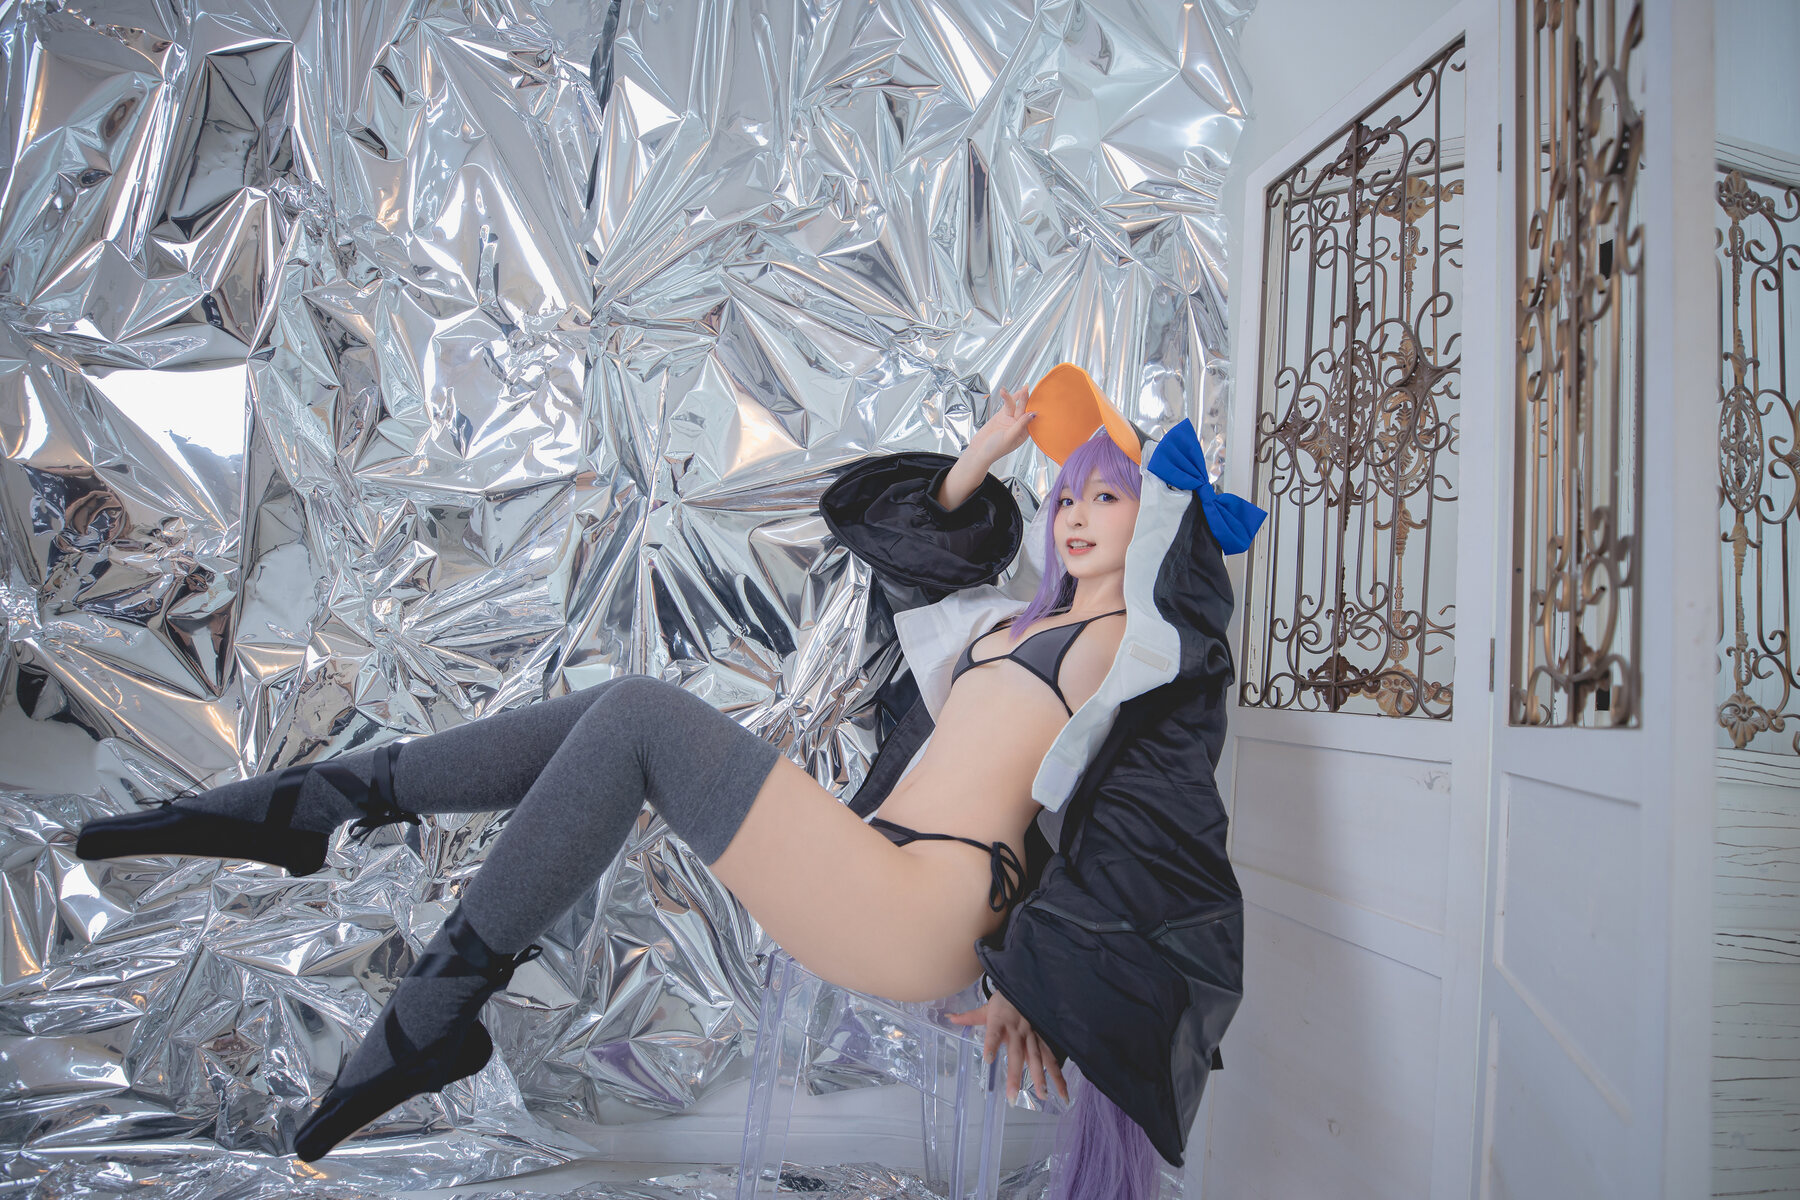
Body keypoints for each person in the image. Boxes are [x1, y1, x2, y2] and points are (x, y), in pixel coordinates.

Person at [70, 370, 1168, 1166]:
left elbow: (1120, 821)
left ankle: (399, 962)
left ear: (1156, 523)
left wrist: (1037, 981)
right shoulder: (1010, 625)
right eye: (1068, 495)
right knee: (615, 716)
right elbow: (908, 540)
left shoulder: (1129, 644)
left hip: (922, 909)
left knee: (642, 716)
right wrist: (989, 453)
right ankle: (316, 822)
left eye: (1107, 498)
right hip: (878, 874)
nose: (1075, 517)